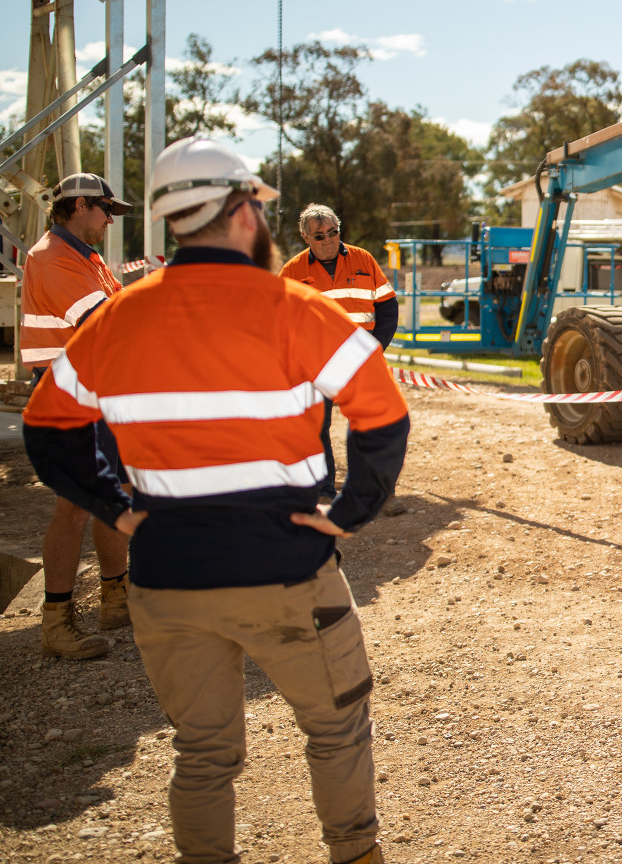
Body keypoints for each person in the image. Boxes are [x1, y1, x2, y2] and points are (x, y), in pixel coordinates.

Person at [23, 137, 408, 864]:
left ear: (170, 219)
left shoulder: (119, 317)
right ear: (244, 212)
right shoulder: (297, 308)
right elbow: (384, 418)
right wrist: (349, 514)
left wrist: (119, 508)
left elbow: (48, 432)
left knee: (202, 751)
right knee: (336, 730)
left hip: (168, 577)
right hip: (288, 570)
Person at [20, 172, 134, 659]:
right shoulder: (53, 257)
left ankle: (116, 599)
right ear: (80, 205)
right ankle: (56, 621)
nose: (111, 220)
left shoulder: (84, 256)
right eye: (106, 210)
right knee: (74, 506)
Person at [279, 204, 398, 497]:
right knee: (317, 426)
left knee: (373, 425)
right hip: (316, 365)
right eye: (319, 236)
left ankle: (376, 488)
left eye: (333, 232)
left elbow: (387, 306)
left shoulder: (363, 259)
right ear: (306, 237)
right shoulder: (292, 271)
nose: (328, 239)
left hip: (362, 361)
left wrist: (376, 347)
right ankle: (323, 489)